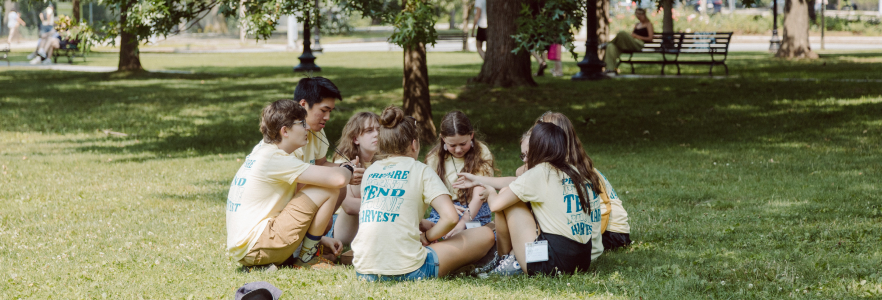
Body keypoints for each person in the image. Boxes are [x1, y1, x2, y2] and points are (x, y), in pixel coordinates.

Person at [351, 106, 495, 281]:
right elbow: (450, 218)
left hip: (364, 271)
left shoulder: (371, 171)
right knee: (485, 234)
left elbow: (388, 211)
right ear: (414, 144)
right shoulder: (420, 170)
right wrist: (426, 237)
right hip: (411, 270)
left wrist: (422, 223)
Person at [225, 99, 357, 270]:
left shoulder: (263, 151)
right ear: (285, 131)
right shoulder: (275, 159)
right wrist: (349, 167)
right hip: (257, 248)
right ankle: (307, 259)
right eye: (302, 123)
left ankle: (303, 252)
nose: (307, 128)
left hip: (249, 249)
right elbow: (338, 180)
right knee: (329, 188)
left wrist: (319, 238)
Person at [471, 122, 600, 276]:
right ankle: (509, 259)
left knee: (506, 197)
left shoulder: (541, 172)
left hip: (553, 264)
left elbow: (496, 205)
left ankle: (504, 261)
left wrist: (491, 192)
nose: (525, 159)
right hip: (582, 261)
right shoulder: (574, 170)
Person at [424, 111, 495, 239]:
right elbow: (429, 191)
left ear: (471, 135)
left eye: (463, 144)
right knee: (441, 234)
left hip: (475, 210)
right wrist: (447, 206)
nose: (458, 150)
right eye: (452, 145)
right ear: (443, 138)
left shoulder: (482, 152)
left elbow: (479, 193)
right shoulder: (433, 158)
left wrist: (463, 223)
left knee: (476, 237)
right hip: (445, 208)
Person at [326, 112, 380, 246]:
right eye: (369, 131)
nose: (376, 134)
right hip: (336, 227)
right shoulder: (344, 161)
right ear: (355, 138)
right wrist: (389, 208)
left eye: (379, 130)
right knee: (357, 179)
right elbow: (349, 206)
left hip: (368, 223)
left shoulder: (381, 162)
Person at [602, 8, 654, 75]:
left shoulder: (648, 24)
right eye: (636, 14)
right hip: (631, 43)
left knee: (622, 33)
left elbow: (650, 38)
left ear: (643, 14)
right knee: (610, 46)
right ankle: (610, 70)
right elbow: (632, 36)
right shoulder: (637, 24)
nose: (638, 16)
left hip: (639, 44)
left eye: (639, 14)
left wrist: (637, 36)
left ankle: (608, 43)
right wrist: (632, 36)